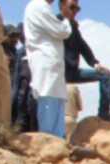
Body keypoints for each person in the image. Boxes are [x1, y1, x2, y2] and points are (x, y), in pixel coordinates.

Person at [23, 0, 74, 138]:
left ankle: (58, 141)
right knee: (48, 99)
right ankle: (49, 141)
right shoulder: (39, 6)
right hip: (45, 60)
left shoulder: (43, 7)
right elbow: (61, 31)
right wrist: (65, 17)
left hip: (52, 62)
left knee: (56, 100)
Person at [59, 0, 110, 122]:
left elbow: (83, 47)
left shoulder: (73, 27)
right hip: (59, 73)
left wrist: (95, 63)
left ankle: (104, 114)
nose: (75, 11)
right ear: (62, 6)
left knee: (105, 74)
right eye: (72, 7)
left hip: (73, 72)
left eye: (77, 8)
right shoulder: (55, 22)